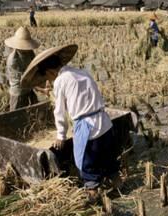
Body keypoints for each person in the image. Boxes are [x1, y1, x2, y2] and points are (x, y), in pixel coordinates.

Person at [20, 45, 120, 200]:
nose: (49, 80)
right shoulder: (81, 72)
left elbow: (59, 111)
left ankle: (94, 198)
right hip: (105, 122)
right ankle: (118, 186)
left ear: (50, 72)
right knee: (108, 158)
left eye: (48, 77)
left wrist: (61, 135)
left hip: (88, 128)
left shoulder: (60, 80)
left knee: (88, 166)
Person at [4, 26, 40, 111]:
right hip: (18, 90)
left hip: (29, 87)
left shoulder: (30, 52)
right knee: (16, 115)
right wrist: (40, 88)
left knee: (35, 111)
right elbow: (23, 79)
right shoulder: (13, 60)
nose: (27, 49)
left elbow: (34, 65)